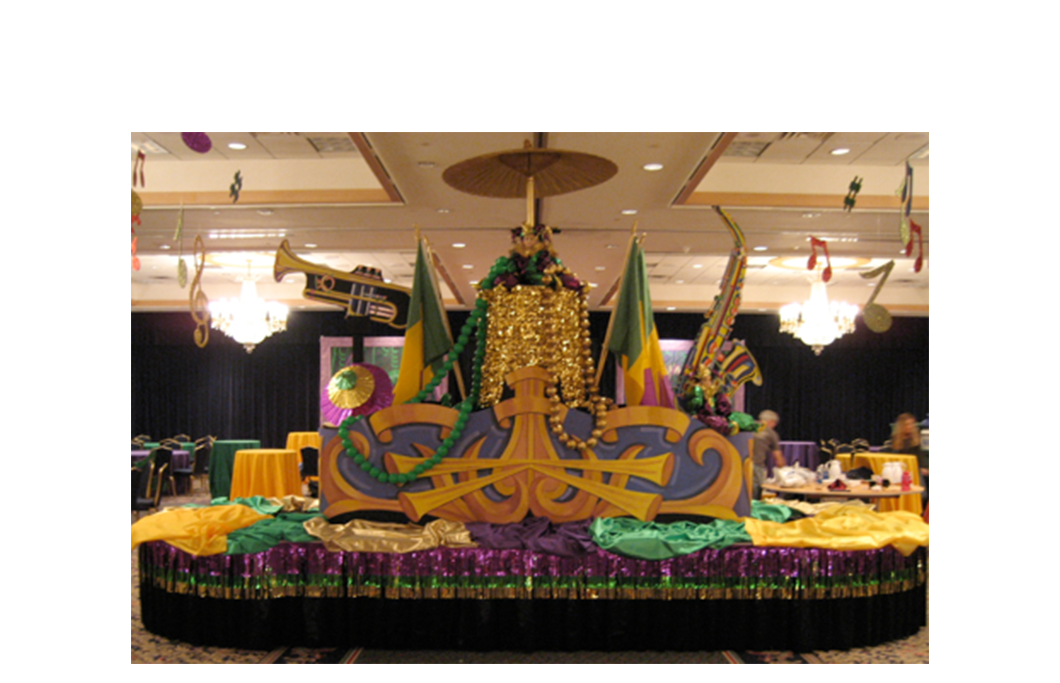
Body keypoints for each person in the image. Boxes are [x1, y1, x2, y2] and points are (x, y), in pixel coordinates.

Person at [889, 412, 927, 502]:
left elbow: (921, 457)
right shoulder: (895, 440)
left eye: (911, 424)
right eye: (907, 424)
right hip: (899, 469)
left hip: (915, 469)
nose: (909, 427)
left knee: (918, 476)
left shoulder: (917, 440)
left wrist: (924, 468)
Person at [752, 410, 785, 500]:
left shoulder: (748, 427)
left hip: (739, 462)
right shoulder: (770, 433)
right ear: (771, 422)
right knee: (756, 491)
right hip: (757, 464)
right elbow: (778, 456)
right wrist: (785, 472)